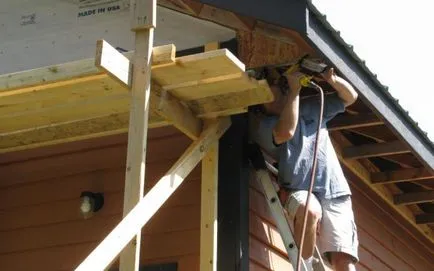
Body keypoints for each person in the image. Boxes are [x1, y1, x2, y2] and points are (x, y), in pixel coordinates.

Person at [249, 66, 359, 271]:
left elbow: (350, 97)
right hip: (298, 189)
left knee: (344, 263)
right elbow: (287, 132)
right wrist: (295, 91)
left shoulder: (310, 108)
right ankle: (306, 266)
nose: (278, 91)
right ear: (260, 101)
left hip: (334, 190)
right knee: (309, 210)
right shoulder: (262, 125)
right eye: (274, 87)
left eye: (279, 86)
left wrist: (332, 79)